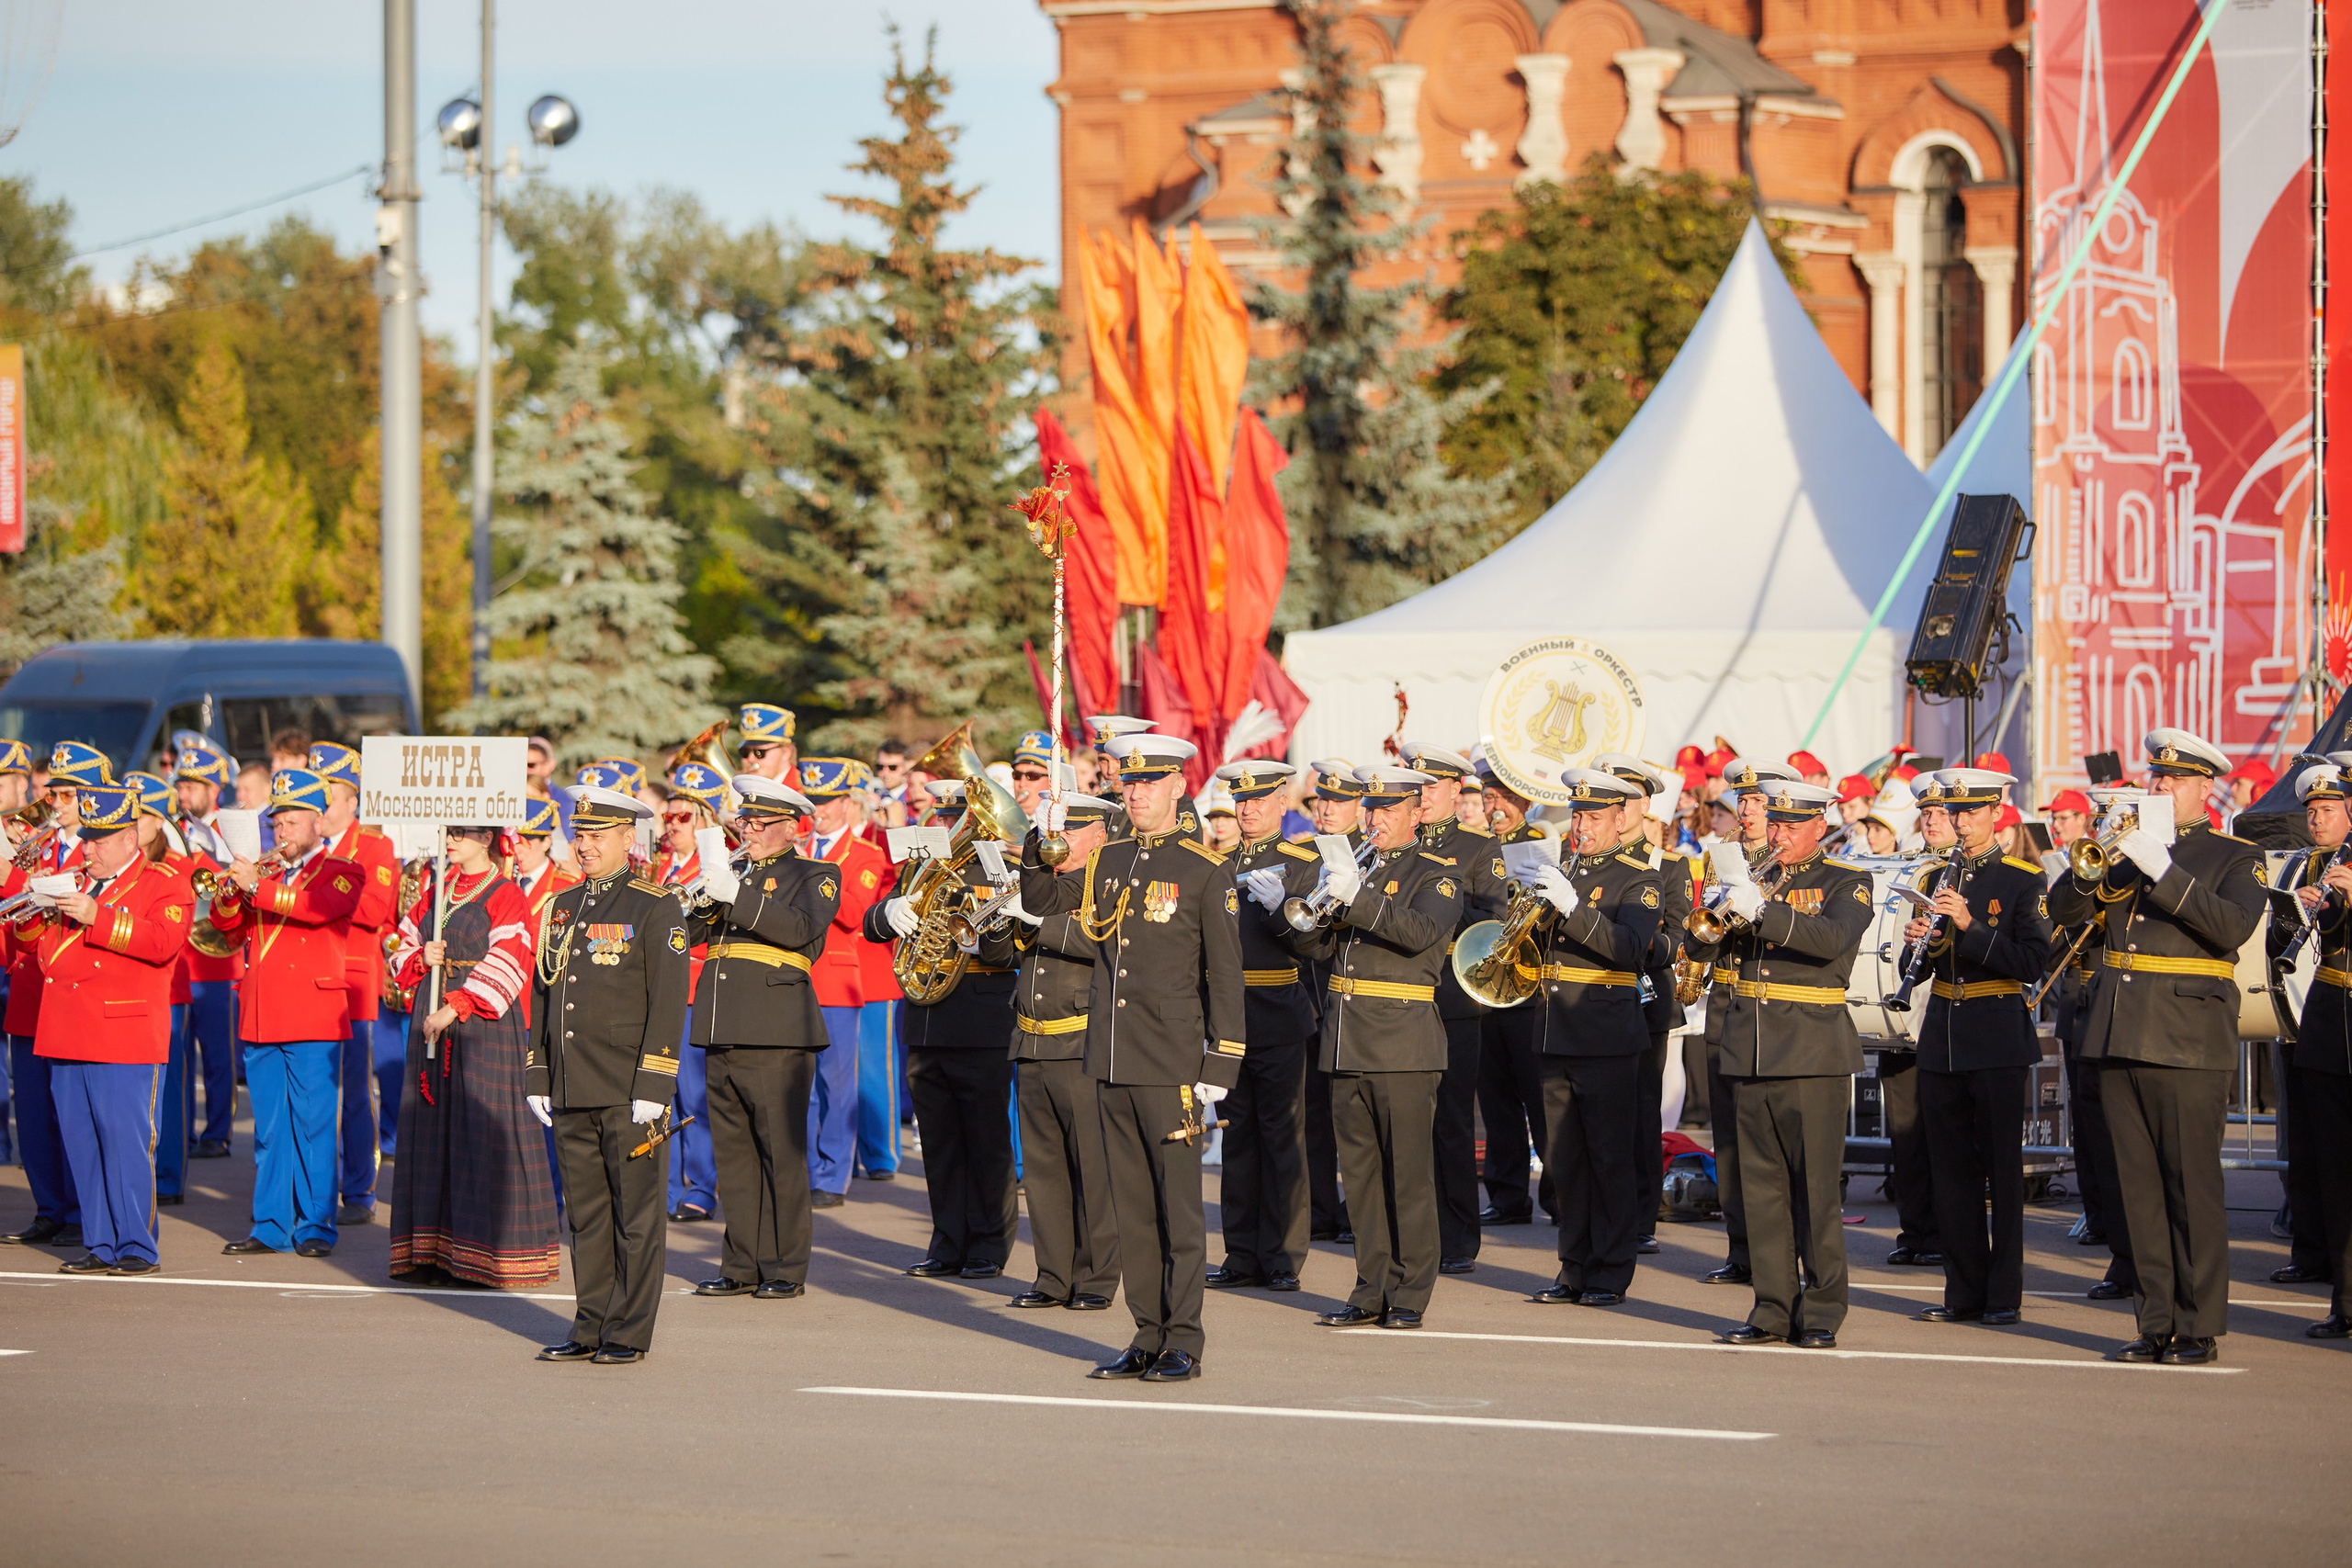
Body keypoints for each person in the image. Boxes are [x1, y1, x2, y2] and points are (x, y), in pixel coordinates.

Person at [1019, 731, 1245, 1381]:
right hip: (1110, 1058)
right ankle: (1146, 1332)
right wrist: (1041, 845)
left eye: (1149, 782)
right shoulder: (1110, 859)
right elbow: (1041, 901)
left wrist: (1220, 1064)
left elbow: (1225, 977)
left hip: (1171, 1061)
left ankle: (1185, 1338)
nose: (1137, 792)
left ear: (1178, 786)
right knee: (1132, 1209)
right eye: (1129, 783)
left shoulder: (1205, 868)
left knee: (1176, 1209)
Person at [2050, 728, 2264, 1365]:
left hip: (2188, 1039)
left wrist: (2163, 870)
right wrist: (2098, 853)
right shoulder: (2125, 849)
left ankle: (2197, 1325)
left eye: (2174, 778)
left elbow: (2231, 927)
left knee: (2189, 1185)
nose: (2160, 785)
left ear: (2205, 786)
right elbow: (2063, 910)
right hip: (2119, 1033)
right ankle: (2155, 1319)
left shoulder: (2235, 855)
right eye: (2157, 776)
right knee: (2136, 1188)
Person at [1687, 779, 1871, 1348]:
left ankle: (1819, 1311)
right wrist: (1716, 915)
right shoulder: (1752, 878)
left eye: (1793, 826)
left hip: (1812, 1050)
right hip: (1749, 1045)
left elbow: (1832, 938)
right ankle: (1771, 1307)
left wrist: (1760, 910)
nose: (1780, 835)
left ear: (1821, 826)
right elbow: (1702, 949)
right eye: (1777, 825)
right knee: (1759, 1189)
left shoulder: (1848, 881)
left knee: (1815, 1190)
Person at [1285, 764, 1457, 1332]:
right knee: (1359, 1175)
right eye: (1373, 809)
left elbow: (1419, 935)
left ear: (1416, 811)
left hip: (1403, 1040)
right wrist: (1303, 911)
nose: (1377, 819)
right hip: (1346, 1035)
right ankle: (1369, 1287)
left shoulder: (1437, 875)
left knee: (1406, 1174)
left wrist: (1356, 899)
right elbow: (1314, 947)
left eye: (1389, 809)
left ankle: (1411, 1291)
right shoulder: (1354, 866)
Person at [527, 783, 691, 1365]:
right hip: (573, 1081)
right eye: (581, 834)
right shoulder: (563, 905)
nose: (585, 845)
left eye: (598, 835)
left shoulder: (654, 904)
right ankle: (590, 1323)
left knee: (636, 1216)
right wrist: (538, 1072)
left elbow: (669, 1000)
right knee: (587, 1213)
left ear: (629, 838)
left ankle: (628, 1331)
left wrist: (655, 1082)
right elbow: (546, 998)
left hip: (627, 1087)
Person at [6, 780, 189, 1275]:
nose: (88, 849)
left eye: (100, 840)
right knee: (81, 1143)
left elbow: (161, 942)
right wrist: (31, 902)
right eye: (87, 839)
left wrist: (98, 916)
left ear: (130, 839)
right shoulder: (75, 879)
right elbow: (33, 948)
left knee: (126, 1143)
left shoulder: (164, 882)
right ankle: (100, 1242)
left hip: (123, 1035)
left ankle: (136, 1245)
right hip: (66, 1029)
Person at [1900, 768, 2052, 1327]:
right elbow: (1909, 972)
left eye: (1971, 812)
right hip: (1943, 1032)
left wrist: (1968, 926)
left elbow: (2032, 963)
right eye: (1954, 813)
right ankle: (1961, 1291)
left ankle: (2003, 1295)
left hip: (1995, 1032)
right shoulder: (1937, 873)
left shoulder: (2022, 879)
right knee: (1951, 1170)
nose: (1961, 823)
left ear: (1996, 814)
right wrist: (1922, 940)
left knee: (2002, 1172)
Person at [677, 774, 837, 1302]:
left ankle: (786, 1266)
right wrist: (697, 897)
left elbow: (799, 933)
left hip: (775, 1029)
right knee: (736, 1156)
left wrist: (736, 893)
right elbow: (693, 938)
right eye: (744, 821)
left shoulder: (815, 874)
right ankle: (741, 1263)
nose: (747, 830)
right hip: (722, 1025)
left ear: (792, 828)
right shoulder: (733, 873)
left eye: (759, 823)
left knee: (780, 1153)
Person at [386, 822, 560, 1288]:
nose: (450, 840)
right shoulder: (434, 891)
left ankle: (485, 1256)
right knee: (432, 1129)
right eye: (449, 832)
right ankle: (433, 1253)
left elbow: (512, 957)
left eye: (461, 833)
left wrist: (456, 1006)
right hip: (430, 1011)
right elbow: (397, 951)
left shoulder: (505, 893)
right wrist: (422, 955)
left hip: (481, 1020)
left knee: (477, 1128)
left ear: (486, 839)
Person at [868, 774, 1023, 1281]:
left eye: (954, 815)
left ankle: (987, 1245)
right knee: (938, 1142)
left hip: (980, 1017)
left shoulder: (1001, 867)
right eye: (940, 814)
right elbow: (873, 926)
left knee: (985, 1138)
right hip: (924, 1018)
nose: (943, 823)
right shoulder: (919, 867)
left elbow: (1011, 941)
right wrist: (889, 912)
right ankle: (947, 1241)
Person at [1515, 769, 1661, 1306]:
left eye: (1593, 817)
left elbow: (1628, 949)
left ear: (1619, 819)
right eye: (1577, 816)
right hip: (1553, 1030)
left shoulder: (1637, 879)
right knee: (1565, 1162)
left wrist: (1573, 908)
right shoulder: (1562, 869)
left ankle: (1610, 1272)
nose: (1582, 827)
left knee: (1608, 1160)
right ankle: (1573, 1266)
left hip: (1605, 1035)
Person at [209, 768, 363, 1259]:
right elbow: (226, 929)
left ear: (318, 822)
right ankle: (271, 1223)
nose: (282, 833)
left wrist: (256, 887)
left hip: (313, 1013)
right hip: (260, 1013)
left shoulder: (343, 869)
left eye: (293, 822)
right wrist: (231, 891)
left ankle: (316, 1223)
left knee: (315, 1124)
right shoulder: (266, 874)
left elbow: (318, 909)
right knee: (271, 1129)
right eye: (277, 824)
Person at [1396, 742, 1510, 1277]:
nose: (1422, 792)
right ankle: (1408, 1231)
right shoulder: (1398, 841)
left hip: (1451, 990)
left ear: (1453, 790)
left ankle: (1458, 1235)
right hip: (1400, 991)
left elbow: (1493, 918)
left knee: (1452, 1122)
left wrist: (1435, 905)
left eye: (1432, 785)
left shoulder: (1476, 848)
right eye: (1416, 783)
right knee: (1405, 1121)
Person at [1006, 790, 1121, 1311]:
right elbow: (1004, 948)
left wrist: (1039, 923)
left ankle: (1096, 1278)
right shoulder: (1042, 886)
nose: (1061, 841)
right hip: (1031, 1037)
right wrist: (994, 926)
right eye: (1055, 830)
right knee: (1045, 1170)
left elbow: (1105, 941)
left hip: (1081, 1039)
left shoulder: (1114, 879)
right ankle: (1052, 1276)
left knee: (1091, 1169)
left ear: (1099, 834)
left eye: (1070, 831)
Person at [1218, 760, 1322, 1292]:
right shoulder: (1216, 863)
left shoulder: (1303, 862)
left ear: (1283, 804)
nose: (1247, 808)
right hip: (1230, 1013)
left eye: (1259, 799)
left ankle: (1282, 1256)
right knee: (1236, 1138)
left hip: (1279, 1009)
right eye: (1241, 799)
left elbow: (1311, 943)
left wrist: (1283, 908)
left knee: (1282, 1136)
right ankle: (1240, 1252)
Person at [1595, 753, 1699, 1255]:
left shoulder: (1670, 865)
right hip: (1589, 997)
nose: (1620, 806)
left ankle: (1639, 1218)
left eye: (1629, 798)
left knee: (1639, 1113)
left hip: (1644, 997)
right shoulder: (1586, 858)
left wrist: (1639, 942)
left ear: (1644, 805)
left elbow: (1679, 936)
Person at [0, 742, 102, 1250]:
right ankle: (49, 1209)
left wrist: (19, 880)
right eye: (51, 791)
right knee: (34, 1111)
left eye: (64, 793)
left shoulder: (99, 849)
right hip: (28, 991)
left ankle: (84, 1211)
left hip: (72, 994)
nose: (54, 801)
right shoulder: (36, 846)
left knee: (73, 1112)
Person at [308, 743, 401, 1228]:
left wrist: (310, 895)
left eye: (326, 797)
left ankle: (359, 1188)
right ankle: (314, 1188)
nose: (318, 808)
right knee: (312, 1091)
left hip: (353, 981)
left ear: (351, 802)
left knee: (356, 1094)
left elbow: (372, 911)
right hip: (307, 979)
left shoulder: (374, 846)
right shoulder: (302, 841)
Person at [796, 759, 888, 1208]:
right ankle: (807, 1169)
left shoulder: (866, 856)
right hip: (793, 978)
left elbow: (853, 913)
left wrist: (810, 870)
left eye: (827, 803)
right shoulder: (795, 849)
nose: (818, 812)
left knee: (836, 1084)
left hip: (834, 980)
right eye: (812, 803)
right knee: (801, 1085)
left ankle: (832, 1177)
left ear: (847, 804)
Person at [2285, 764, 2352, 1338]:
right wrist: (2297, 908)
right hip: (2330, 1016)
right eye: (2314, 809)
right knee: (2334, 1166)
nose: (2317, 817)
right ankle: (2345, 1302)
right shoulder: (2313, 864)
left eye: (2331, 807)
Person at [1879, 778, 1951, 1269]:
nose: (1931, 819)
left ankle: (1946, 1231)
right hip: (1901, 1015)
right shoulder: (1906, 868)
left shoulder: (1969, 874)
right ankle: (1916, 1230)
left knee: (1944, 1134)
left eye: (1941, 812)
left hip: (1943, 1016)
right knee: (1905, 1135)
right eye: (1926, 812)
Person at [1474, 766, 1550, 1227]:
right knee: (1496, 1098)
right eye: (1488, 795)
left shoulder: (1540, 842)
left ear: (1524, 802)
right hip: (1486, 983)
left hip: (1528, 986)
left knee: (1538, 1096)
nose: (1495, 806)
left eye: (1505, 796)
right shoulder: (1477, 847)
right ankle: (1506, 1196)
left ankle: (1559, 1193)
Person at [652, 764, 722, 1224]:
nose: (672, 825)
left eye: (683, 817)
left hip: (695, 991)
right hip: (659, 992)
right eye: (669, 817)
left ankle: (701, 1186)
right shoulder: (660, 866)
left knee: (695, 1096)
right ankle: (667, 1184)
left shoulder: (716, 868)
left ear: (703, 821)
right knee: (660, 1093)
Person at [1300, 763, 1365, 1242]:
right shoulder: (1301, 850)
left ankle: (1356, 1212)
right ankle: (1321, 1208)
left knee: (1355, 1115)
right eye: (1320, 801)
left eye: (1337, 802)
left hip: (1357, 996)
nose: (1324, 809)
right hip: (1306, 993)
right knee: (1313, 1112)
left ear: (1360, 808)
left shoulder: (1373, 855)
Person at [125, 772, 197, 1209]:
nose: (132, 823)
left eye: (142, 815)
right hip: (127, 990)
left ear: (160, 819)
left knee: (169, 1091)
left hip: (170, 987)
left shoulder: (183, 866)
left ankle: (167, 1175)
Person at [174, 742, 242, 1160]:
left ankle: (218, 1132)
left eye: (193, 785)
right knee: (180, 1059)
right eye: (181, 785)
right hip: (180, 959)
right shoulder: (176, 833)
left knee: (219, 1056)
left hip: (217, 960)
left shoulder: (231, 830)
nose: (184, 794)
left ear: (214, 788)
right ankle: (181, 1133)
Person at [737, 703, 800, 788]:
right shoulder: (739, 791)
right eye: (745, 752)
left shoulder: (804, 792)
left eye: (760, 752)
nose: (750, 759)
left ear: (786, 753)